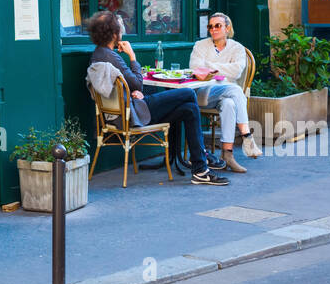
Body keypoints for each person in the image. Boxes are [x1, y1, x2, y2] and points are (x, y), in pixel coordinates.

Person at [84, 10, 228, 186]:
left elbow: (129, 86)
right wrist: (132, 56)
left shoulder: (98, 55)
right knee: (188, 94)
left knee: (189, 109)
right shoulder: (113, 57)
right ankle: (202, 159)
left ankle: (200, 169)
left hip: (121, 115)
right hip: (133, 115)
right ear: (114, 34)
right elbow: (137, 83)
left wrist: (133, 91)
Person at [189, 12, 261, 171]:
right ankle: (247, 137)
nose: (213, 29)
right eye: (210, 26)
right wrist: (220, 70)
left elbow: (236, 71)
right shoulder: (200, 46)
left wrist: (210, 66)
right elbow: (196, 69)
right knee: (235, 89)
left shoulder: (237, 48)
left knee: (229, 103)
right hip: (204, 93)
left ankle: (227, 155)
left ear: (227, 28)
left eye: (217, 25)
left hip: (225, 95)